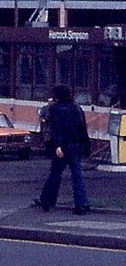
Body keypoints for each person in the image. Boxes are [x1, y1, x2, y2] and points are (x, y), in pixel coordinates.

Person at [35, 85, 91, 214]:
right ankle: (82, 204)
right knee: (77, 175)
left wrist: (58, 146)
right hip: (76, 145)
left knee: (55, 174)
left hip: (63, 146)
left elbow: (56, 129)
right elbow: (82, 128)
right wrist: (86, 145)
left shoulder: (55, 109)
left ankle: (47, 200)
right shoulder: (77, 108)